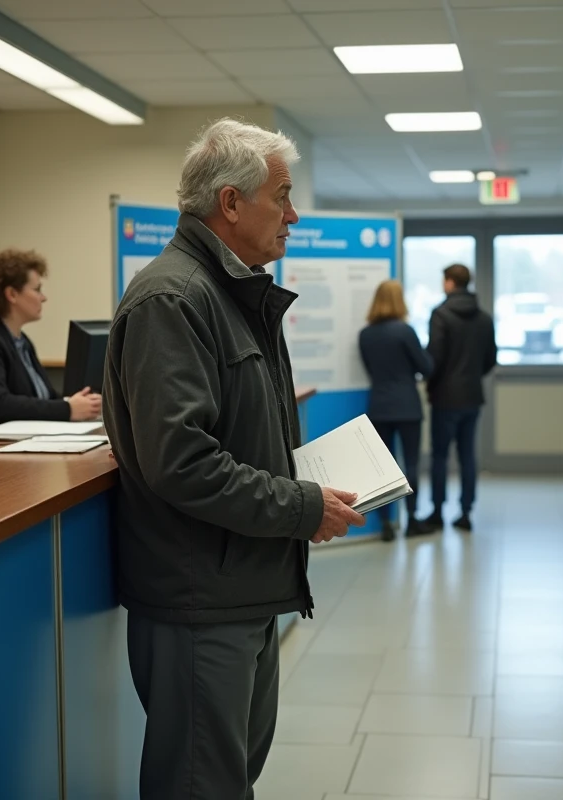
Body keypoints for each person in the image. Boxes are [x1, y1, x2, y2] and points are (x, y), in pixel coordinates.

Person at [102, 118, 366, 799]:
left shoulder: (234, 293)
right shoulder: (174, 299)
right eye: (282, 195)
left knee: (229, 777)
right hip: (200, 596)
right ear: (230, 202)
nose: (294, 214)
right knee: (200, 784)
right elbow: (182, 461)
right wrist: (302, 505)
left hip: (243, 581)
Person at [0, 249, 102, 442]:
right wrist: (68, 409)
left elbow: (43, 397)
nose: (43, 298)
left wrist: (79, 403)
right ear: (12, 294)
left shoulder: (21, 340)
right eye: (37, 289)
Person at [420, 263, 497, 533]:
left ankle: (437, 512)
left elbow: (434, 359)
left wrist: (430, 378)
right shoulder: (485, 318)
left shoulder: (441, 315)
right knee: (468, 456)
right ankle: (466, 512)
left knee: (440, 456)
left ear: (451, 282)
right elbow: (490, 360)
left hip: (444, 398)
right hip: (472, 397)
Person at [359, 279, 435, 541]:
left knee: (383, 468)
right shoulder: (405, 331)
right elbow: (426, 368)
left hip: (379, 405)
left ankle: (386, 525)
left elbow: (370, 369)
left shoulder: (365, 334)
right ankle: (412, 519)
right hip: (407, 406)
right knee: (411, 464)